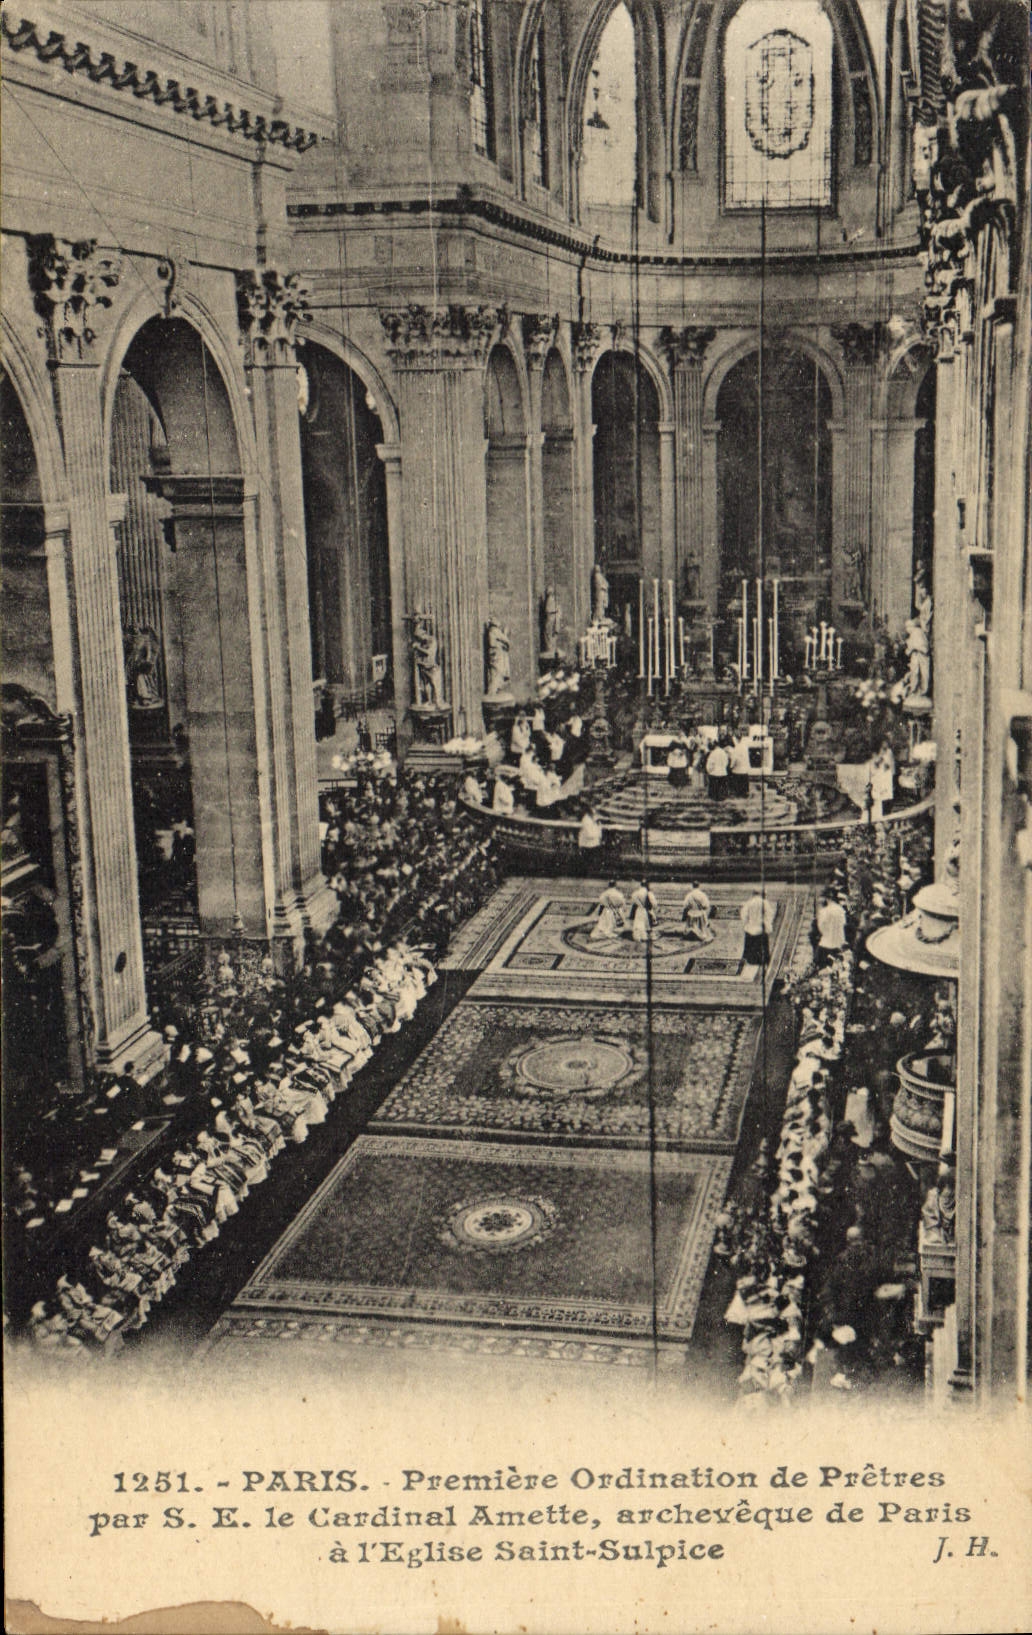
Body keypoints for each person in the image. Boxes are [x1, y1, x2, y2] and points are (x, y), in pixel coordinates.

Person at [740, 889, 775, 968]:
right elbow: (769, 914)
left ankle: (751, 960)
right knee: (763, 945)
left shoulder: (749, 903)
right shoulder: (765, 903)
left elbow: (743, 914)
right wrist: (767, 925)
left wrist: (746, 923)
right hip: (761, 929)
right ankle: (763, 960)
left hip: (750, 928)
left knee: (750, 945)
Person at [815, 895, 848, 966]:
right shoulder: (841, 910)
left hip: (826, 943)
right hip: (839, 942)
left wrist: (826, 934)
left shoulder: (824, 911)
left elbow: (820, 927)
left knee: (819, 961)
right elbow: (844, 924)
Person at [629, 879, 659, 943]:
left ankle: (637, 936)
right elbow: (654, 904)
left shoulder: (635, 893)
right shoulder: (648, 893)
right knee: (647, 924)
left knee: (638, 923)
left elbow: (633, 902)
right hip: (646, 910)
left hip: (638, 910)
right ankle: (645, 936)